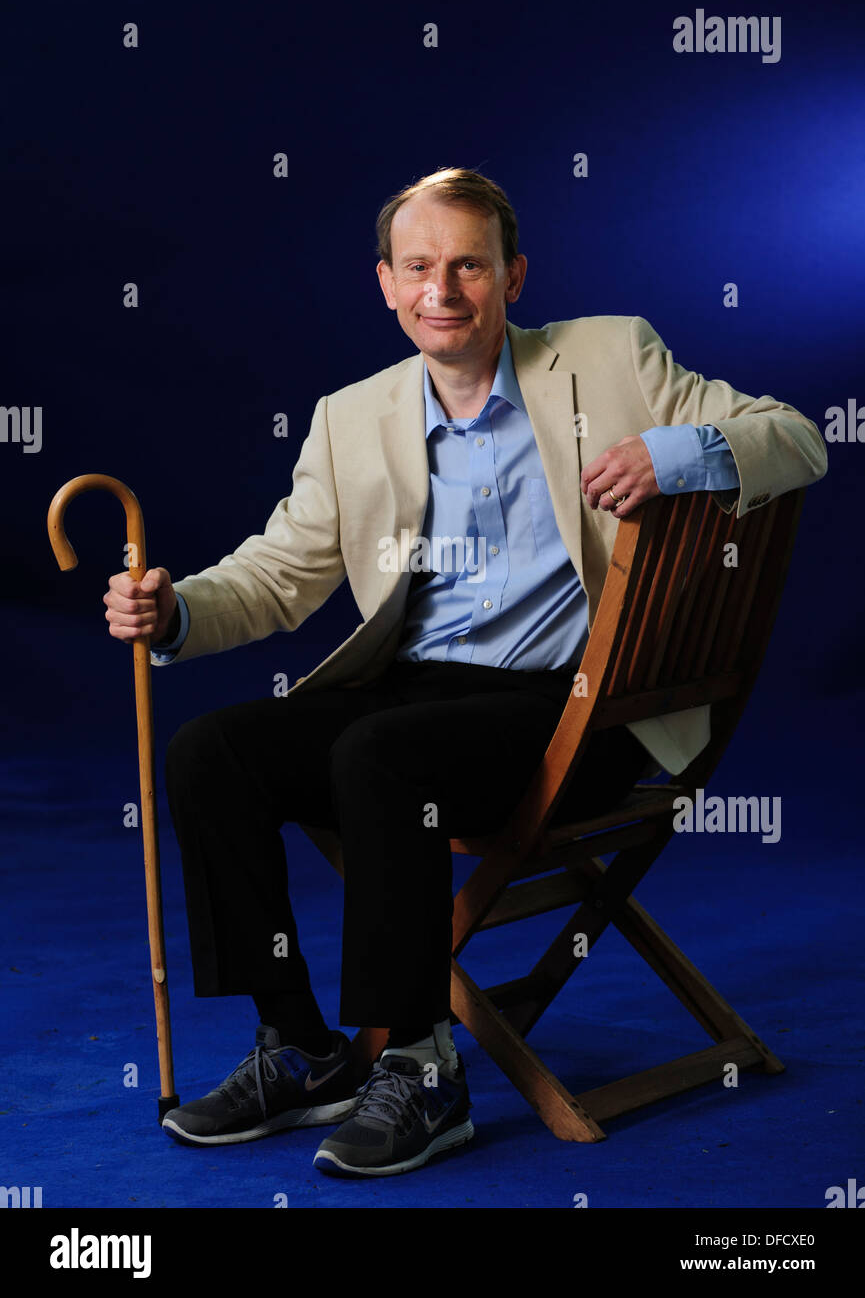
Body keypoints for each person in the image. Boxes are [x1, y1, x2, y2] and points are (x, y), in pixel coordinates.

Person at [103, 167, 827, 1177]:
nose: (442, 290)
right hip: (417, 696)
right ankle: (305, 1051)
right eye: (418, 268)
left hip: (579, 708)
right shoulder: (349, 416)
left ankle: (421, 1066)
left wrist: (678, 451)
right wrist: (177, 608)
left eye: (468, 265)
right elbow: (279, 574)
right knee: (211, 749)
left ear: (512, 276)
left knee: (380, 755)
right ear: (386, 285)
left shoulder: (613, 353)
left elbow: (798, 437)